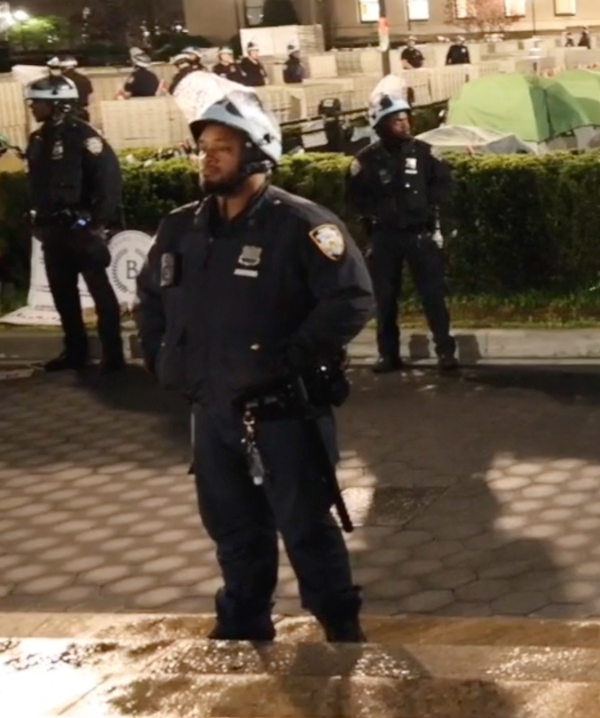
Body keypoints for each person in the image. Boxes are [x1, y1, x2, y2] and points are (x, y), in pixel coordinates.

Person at [136, 90, 373, 644]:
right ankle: (243, 623)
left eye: (222, 146)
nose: (208, 157)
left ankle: (339, 627)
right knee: (233, 530)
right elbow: (148, 297)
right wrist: (162, 357)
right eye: (203, 147)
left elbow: (351, 298)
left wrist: (288, 360)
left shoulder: (298, 225)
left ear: (258, 152)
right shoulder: (179, 229)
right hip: (212, 414)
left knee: (307, 530)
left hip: (283, 414)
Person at [22, 66, 125, 373]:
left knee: (100, 292)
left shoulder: (85, 137)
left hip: (81, 229)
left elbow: (108, 180)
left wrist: (96, 222)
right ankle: (75, 352)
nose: (32, 107)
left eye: (36, 101)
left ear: (57, 103)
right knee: (62, 295)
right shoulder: (38, 139)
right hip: (53, 230)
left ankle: (113, 354)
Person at [346, 92, 457, 373]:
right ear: (382, 125)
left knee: (433, 296)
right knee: (384, 299)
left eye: (406, 119)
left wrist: (426, 205)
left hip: (420, 236)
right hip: (385, 238)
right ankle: (388, 355)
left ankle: (445, 352)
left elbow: (445, 185)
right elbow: (354, 197)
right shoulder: (366, 161)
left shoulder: (424, 152)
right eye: (397, 121)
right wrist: (377, 214)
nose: (405, 125)